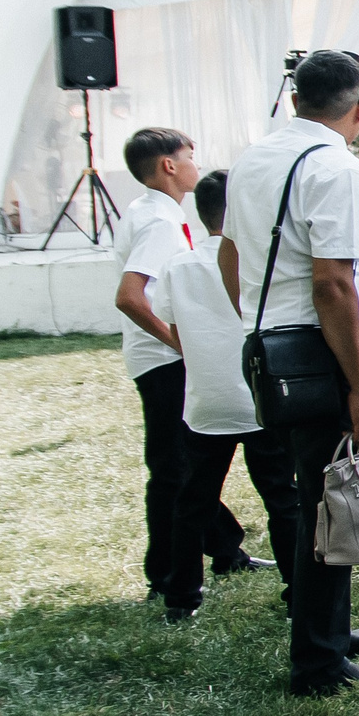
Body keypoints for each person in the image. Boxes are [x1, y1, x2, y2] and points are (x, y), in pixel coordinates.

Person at [217, 49, 359, 696]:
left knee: (315, 496)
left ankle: (327, 634)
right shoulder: (335, 168)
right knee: (332, 501)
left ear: (294, 99)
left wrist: (259, 321)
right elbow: (333, 282)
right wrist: (358, 384)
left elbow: (230, 255)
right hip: (324, 350)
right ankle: (318, 659)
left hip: (271, 343)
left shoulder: (254, 158)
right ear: (358, 106)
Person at [145, 169, 302, 625]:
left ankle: (181, 596)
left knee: (192, 500)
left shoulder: (179, 264)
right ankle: (297, 593)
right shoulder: (257, 262)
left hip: (205, 401)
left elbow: (172, 327)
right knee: (282, 498)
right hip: (257, 399)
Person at [114, 126, 252, 606]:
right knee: (174, 470)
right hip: (162, 359)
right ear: (169, 166)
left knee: (186, 465)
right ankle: (167, 573)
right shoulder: (159, 222)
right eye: (190, 155)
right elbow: (130, 297)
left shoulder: (153, 212)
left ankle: (224, 547)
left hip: (160, 354)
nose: (196, 163)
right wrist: (180, 342)